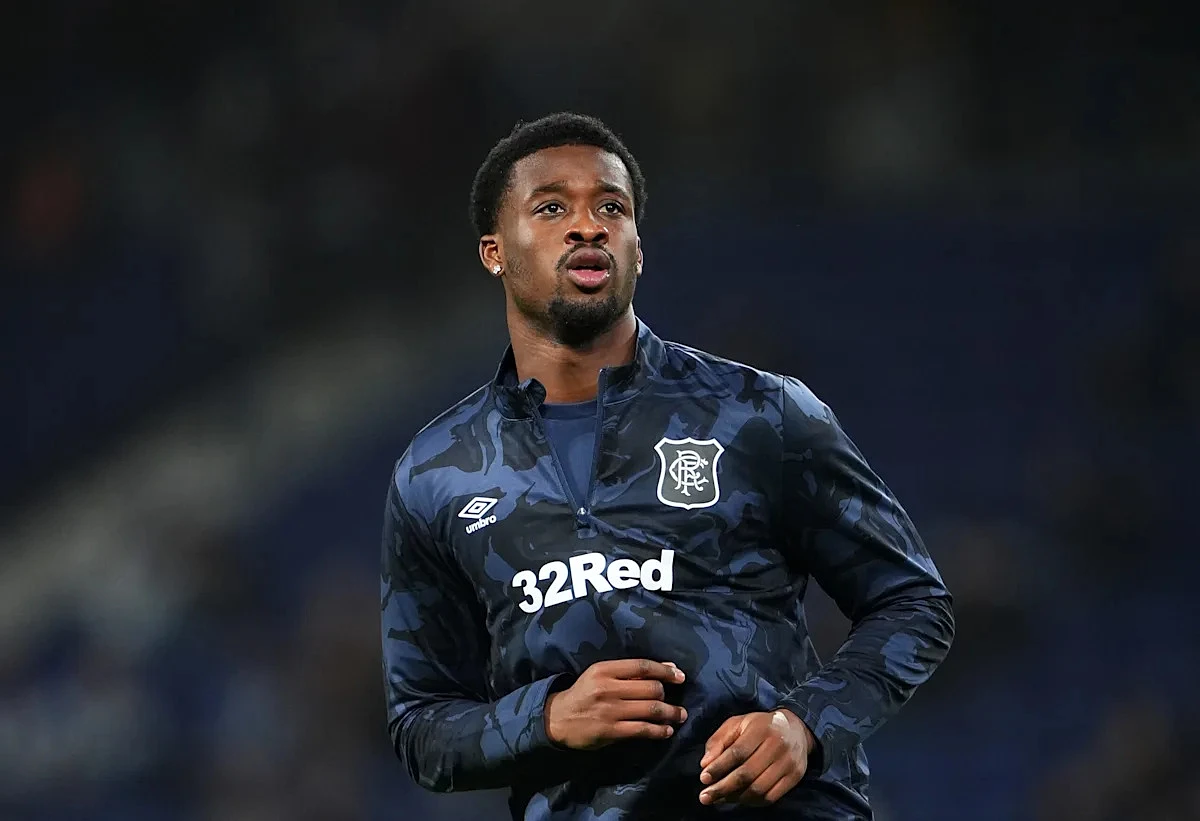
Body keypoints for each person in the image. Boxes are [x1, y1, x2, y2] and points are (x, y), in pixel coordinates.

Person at [381, 112, 954, 820]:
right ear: (494, 252)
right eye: (553, 208)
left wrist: (805, 725)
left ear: (638, 248)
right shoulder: (435, 473)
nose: (587, 227)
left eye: (611, 208)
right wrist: (547, 719)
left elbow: (914, 603)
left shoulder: (759, 413)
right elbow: (421, 726)